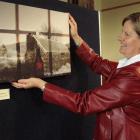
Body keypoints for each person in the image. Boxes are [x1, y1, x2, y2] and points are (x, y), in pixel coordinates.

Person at [12, 12, 140, 140]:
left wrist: (41, 84)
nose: (120, 37)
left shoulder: (132, 77)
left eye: (127, 34)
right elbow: (98, 63)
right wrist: (76, 37)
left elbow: (83, 103)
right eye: (122, 32)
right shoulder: (128, 67)